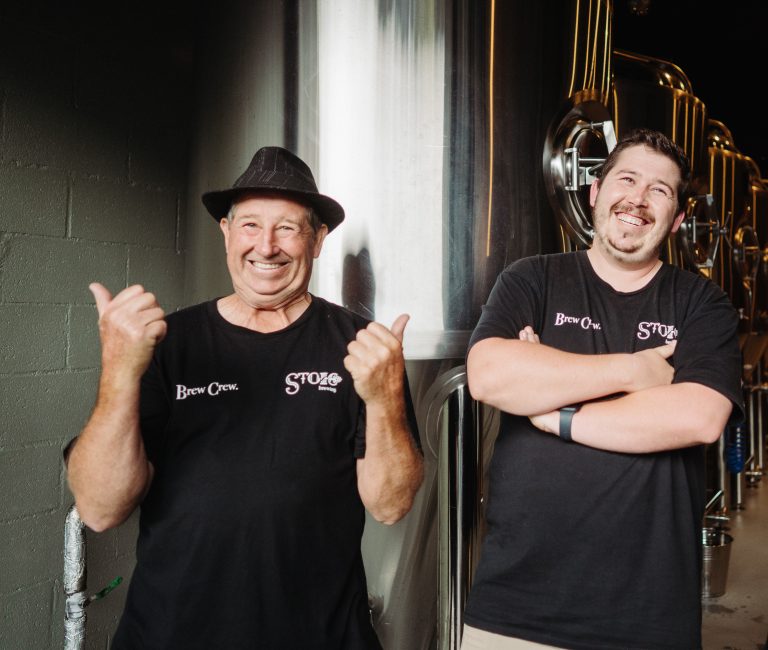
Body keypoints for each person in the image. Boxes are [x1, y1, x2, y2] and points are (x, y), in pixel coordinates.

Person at [66, 146, 424, 649]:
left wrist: (384, 398)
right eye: (251, 225)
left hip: (320, 636)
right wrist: (119, 374)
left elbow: (389, 505)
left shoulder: (362, 348)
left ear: (318, 240)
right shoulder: (168, 343)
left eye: (288, 227)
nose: (267, 246)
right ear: (227, 233)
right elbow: (100, 508)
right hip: (172, 634)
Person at [461, 129, 743, 650]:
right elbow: (489, 376)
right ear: (595, 193)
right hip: (514, 610)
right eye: (627, 179)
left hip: (646, 616)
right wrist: (633, 373)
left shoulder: (702, 304)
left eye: (660, 190)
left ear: (678, 219)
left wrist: (555, 411)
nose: (638, 198)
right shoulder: (532, 280)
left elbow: (698, 418)